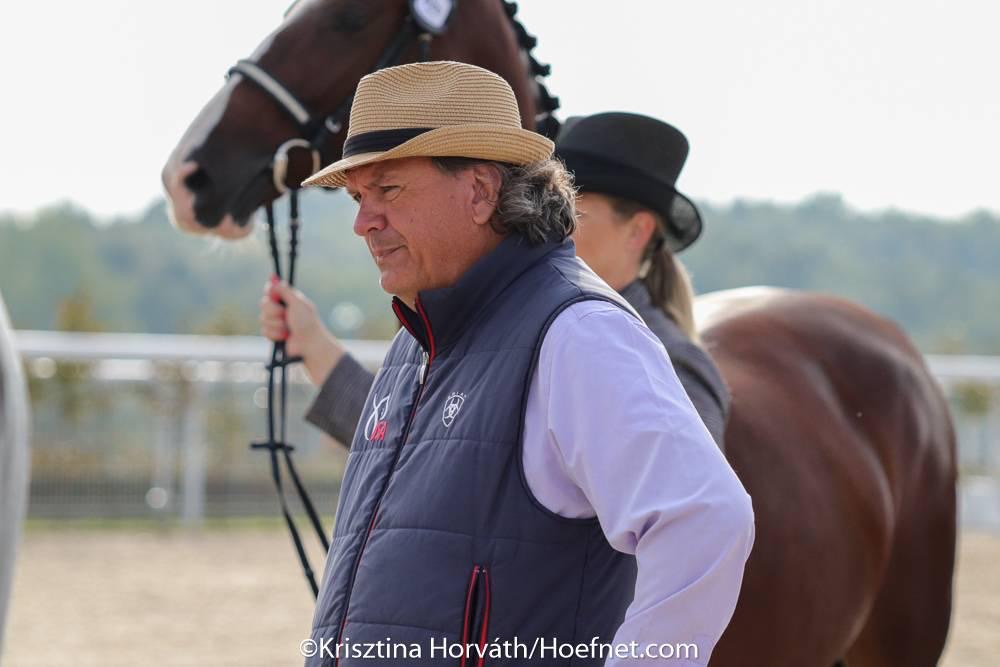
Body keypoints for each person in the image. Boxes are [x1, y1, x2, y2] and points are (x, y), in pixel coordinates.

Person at [274, 61, 753, 666]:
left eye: (388, 190)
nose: (363, 222)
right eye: (357, 196)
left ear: (479, 191)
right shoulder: (416, 341)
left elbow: (705, 520)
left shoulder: (578, 333)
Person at [265, 113, 729, 447]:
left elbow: (684, 532)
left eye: (576, 205)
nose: (555, 217)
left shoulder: (667, 360)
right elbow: (416, 449)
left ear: (639, 231)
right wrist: (313, 344)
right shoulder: (513, 324)